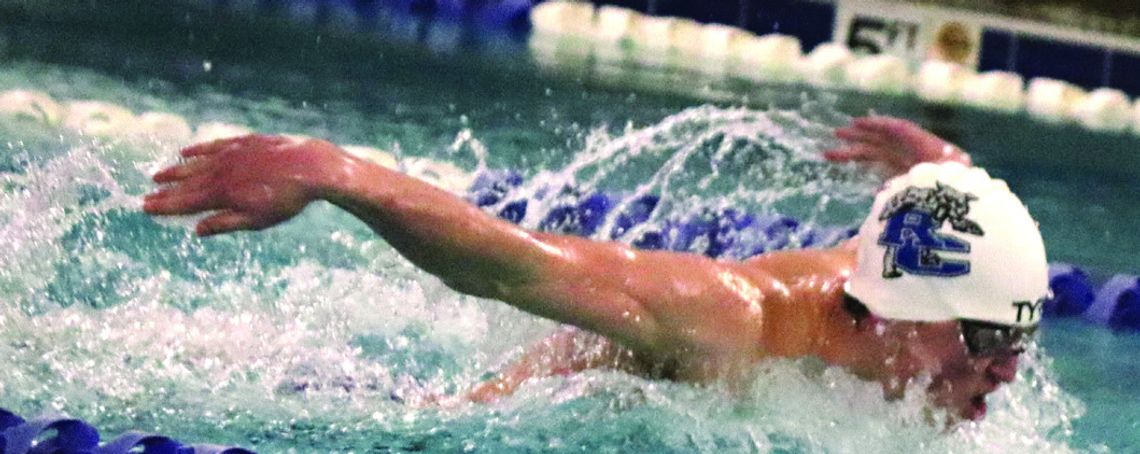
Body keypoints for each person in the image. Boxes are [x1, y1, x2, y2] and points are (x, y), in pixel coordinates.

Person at [142, 116, 1049, 422]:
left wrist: (934, 161)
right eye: (990, 340)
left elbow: (961, 199)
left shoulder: (916, 299)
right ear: (903, 307)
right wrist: (333, 174)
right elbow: (511, 268)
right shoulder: (728, 322)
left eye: (1019, 338)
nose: (1008, 372)